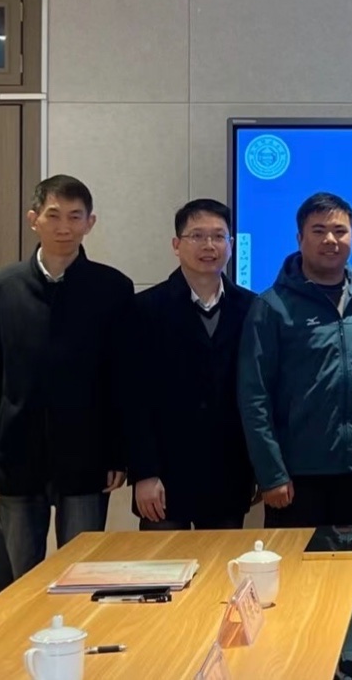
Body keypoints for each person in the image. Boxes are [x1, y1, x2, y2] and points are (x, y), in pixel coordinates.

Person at [0, 175, 132, 576]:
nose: (64, 227)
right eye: (54, 215)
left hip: (87, 454)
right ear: (34, 219)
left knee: (82, 572)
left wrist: (119, 454)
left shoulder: (112, 288)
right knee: (16, 576)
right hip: (17, 454)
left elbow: (121, 381)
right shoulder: (3, 286)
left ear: (90, 223)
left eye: (75, 217)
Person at [238, 192, 352, 527]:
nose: (330, 240)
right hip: (296, 475)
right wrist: (271, 473)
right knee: (295, 560)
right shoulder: (271, 306)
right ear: (300, 238)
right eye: (319, 230)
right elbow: (254, 397)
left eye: (340, 231)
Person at [124, 199, 255, 531]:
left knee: (223, 563)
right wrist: (144, 473)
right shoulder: (144, 308)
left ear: (231, 244)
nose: (209, 245)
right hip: (165, 478)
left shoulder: (252, 308)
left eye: (218, 236)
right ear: (176, 244)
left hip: (229, 474)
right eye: (197, 236)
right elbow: (133, 399)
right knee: (164, 564)